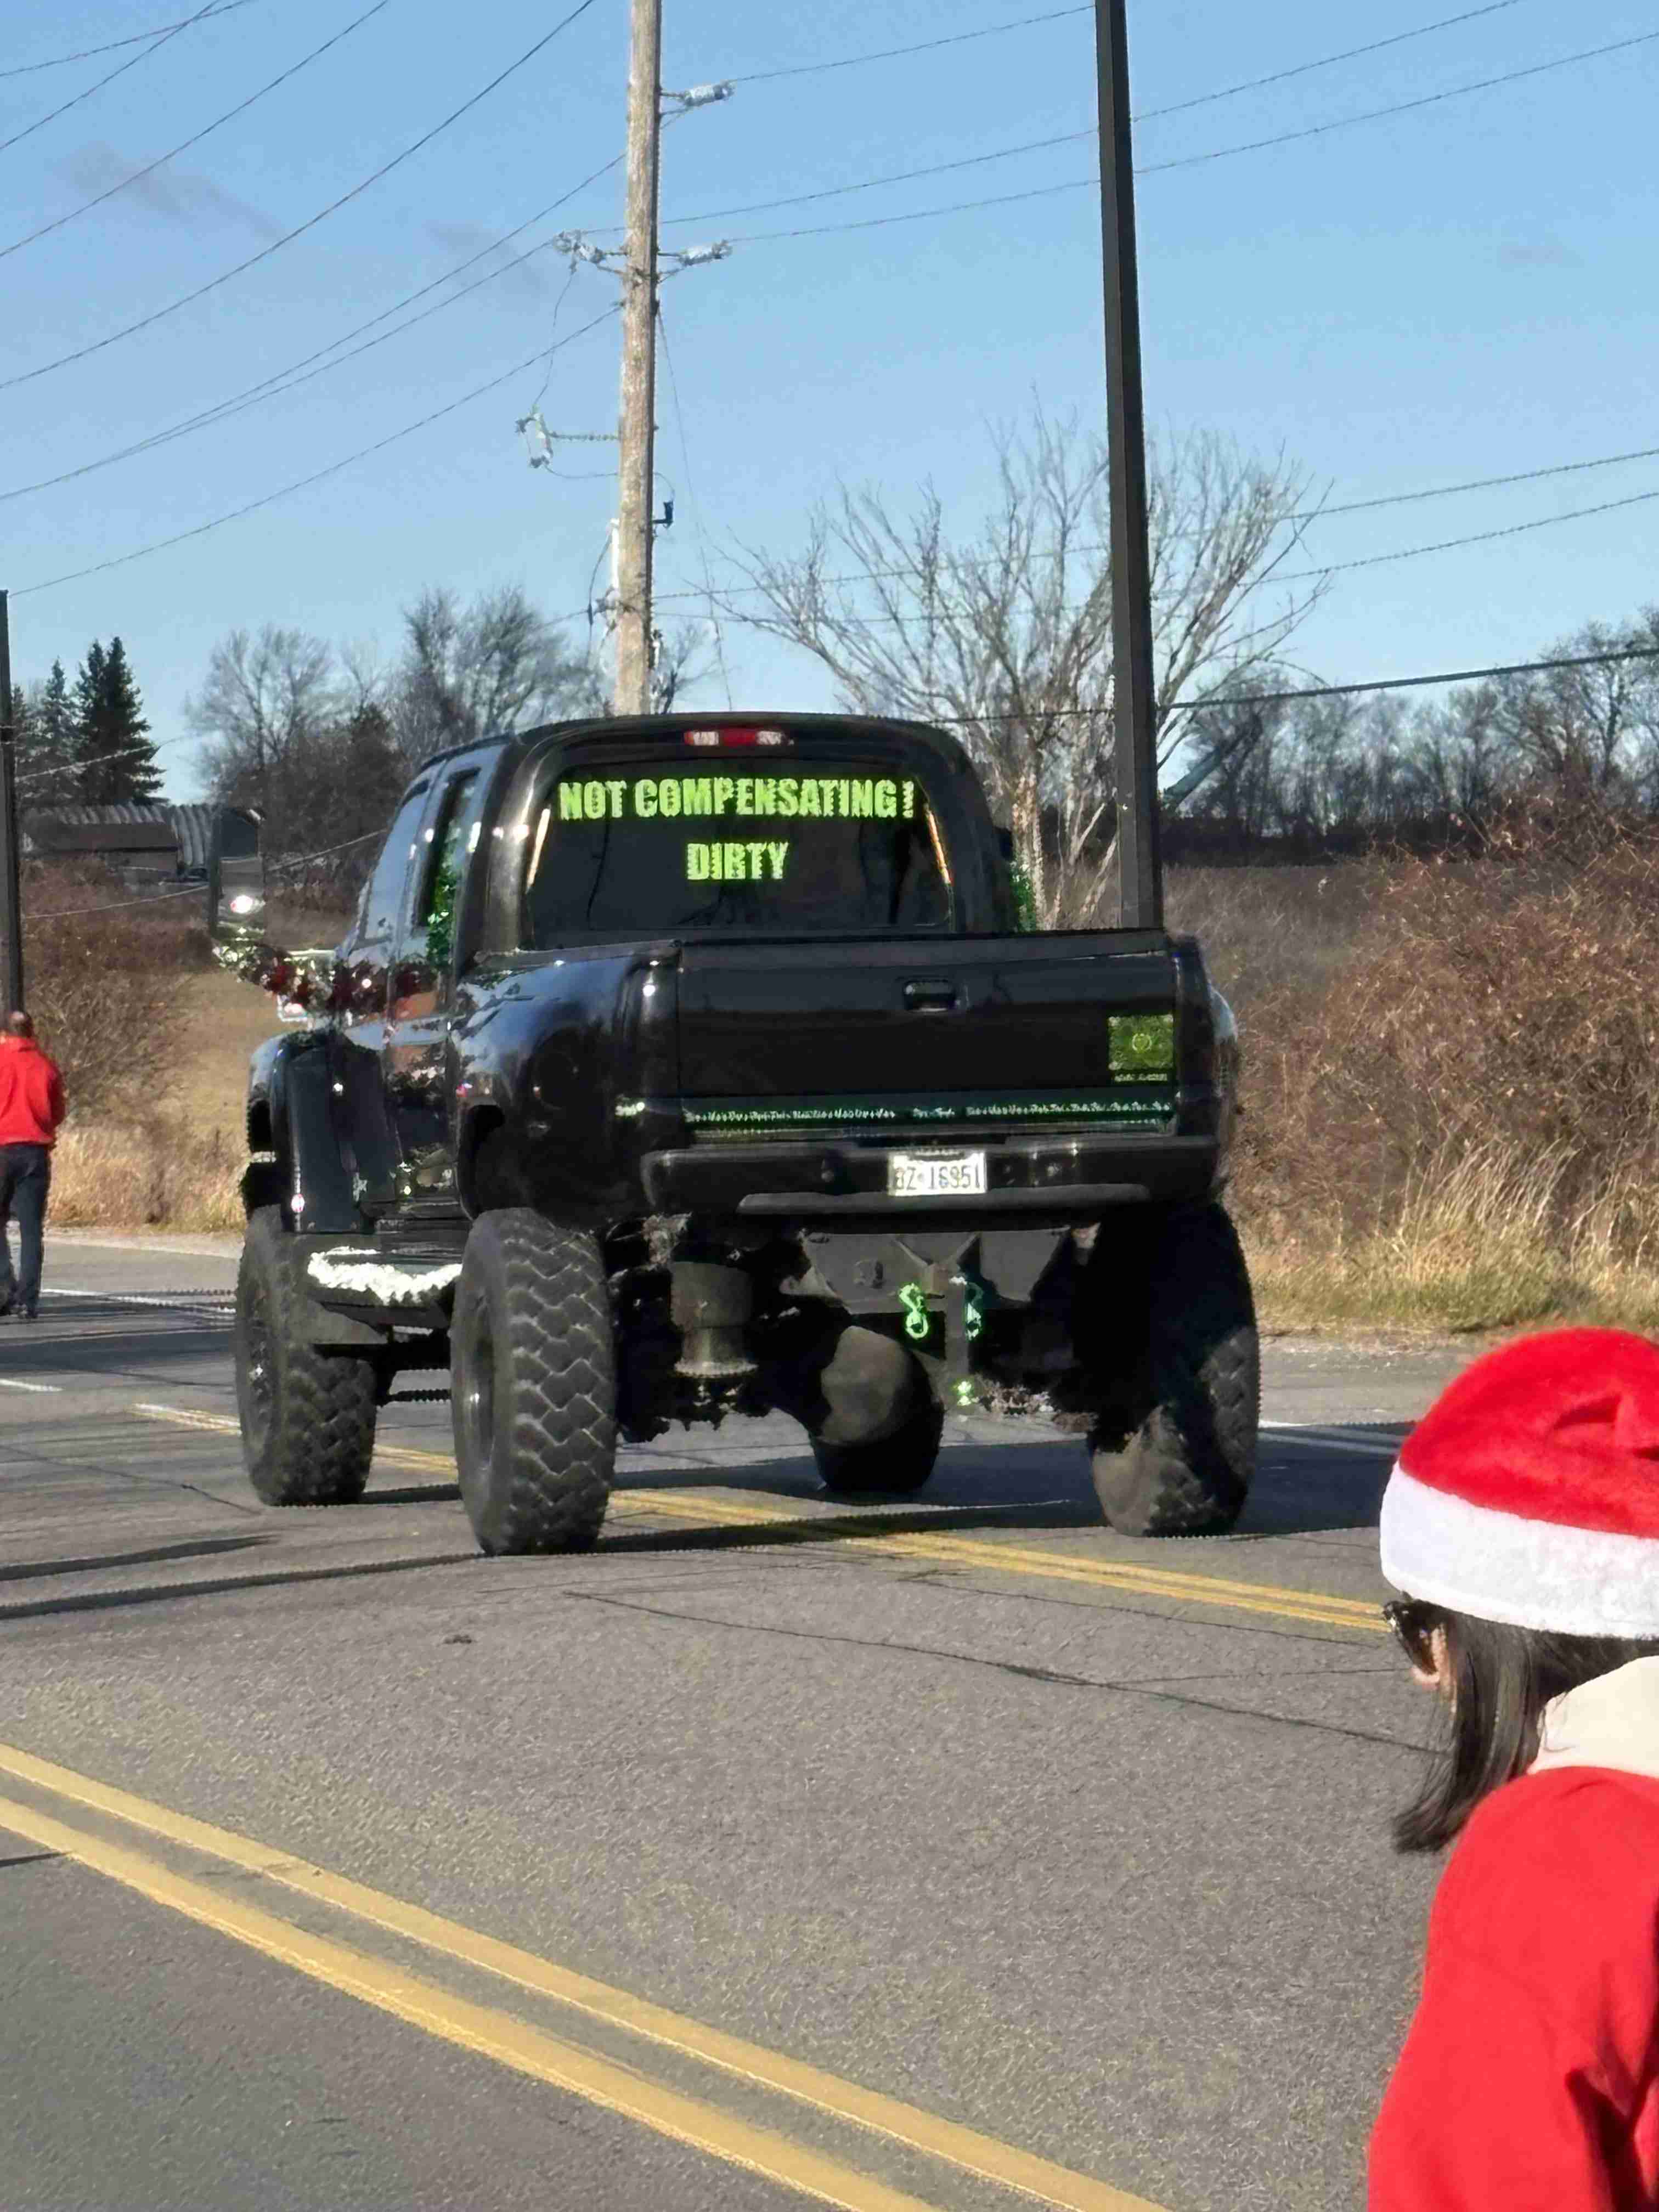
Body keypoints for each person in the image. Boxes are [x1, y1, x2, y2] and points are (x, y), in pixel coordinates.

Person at [1370, 1326, 1659, 2209]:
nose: (1429, 1676)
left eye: (1421, 1627)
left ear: (1510, 1631)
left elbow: (1476, 2182)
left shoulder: (1559, 1857)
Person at [0, 1010, 67, 1321]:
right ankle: (28, 1300)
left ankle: (3, 1287)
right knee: (31, 1230)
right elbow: (57, 1113)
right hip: (35, 1152)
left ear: (5, 1033)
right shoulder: (46, 1066)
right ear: (31, 1032)